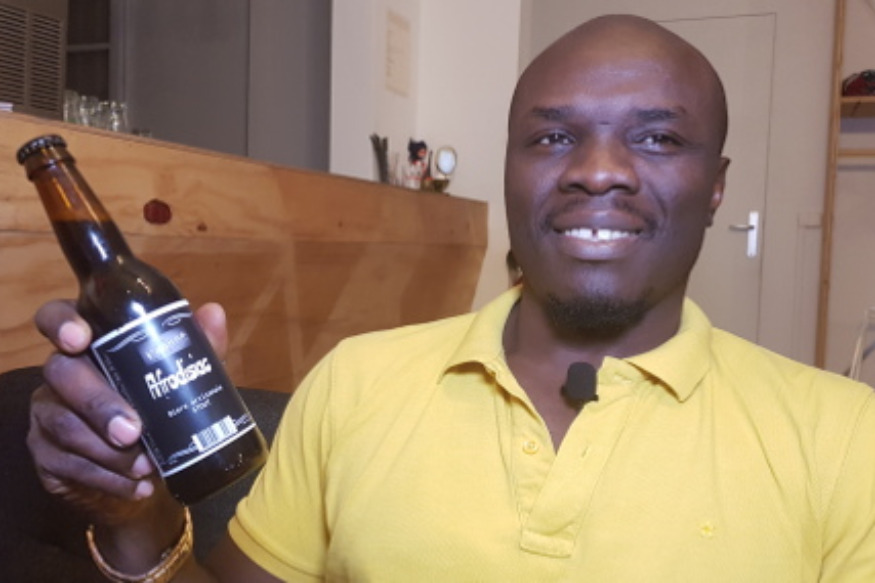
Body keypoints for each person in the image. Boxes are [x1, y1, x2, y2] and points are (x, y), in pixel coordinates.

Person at [26, 14, 875, 582]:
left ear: (715, 186)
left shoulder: (846, 441)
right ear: (509, 168)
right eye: (552, 136)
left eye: (656, 138)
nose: (597, 170)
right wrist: (136, 514)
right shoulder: (354, 383)